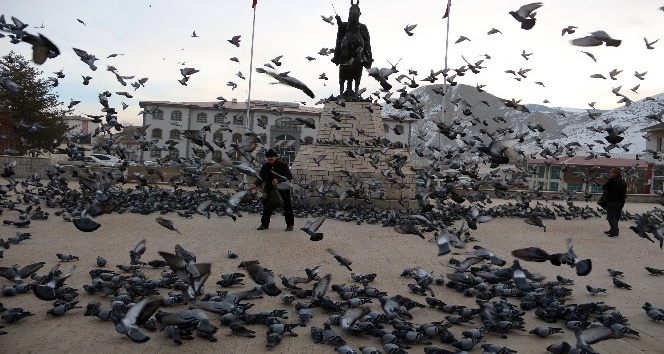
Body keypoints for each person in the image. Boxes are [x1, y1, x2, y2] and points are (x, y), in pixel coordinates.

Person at [249, 149, 294, 231]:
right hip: (269, 189)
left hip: (282, 190)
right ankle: (264, 224)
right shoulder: (265, 167)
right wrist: (255, 184)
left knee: (287, 207)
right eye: (268, 157)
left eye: (272, 157)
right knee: (267, 207)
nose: (270, 158)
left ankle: (290, 225)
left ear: (275, 157)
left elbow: (289, 176)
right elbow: (260, 177)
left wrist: (278, 180)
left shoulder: (283, 165)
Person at [601, 168, 627, 237]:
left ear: (615, 174)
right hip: (621, 202)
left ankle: (614, 232)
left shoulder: (613, 180)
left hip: (612, 201)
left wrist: (609, 180)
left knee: (611, 217)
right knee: (616, 217)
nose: (610, 174)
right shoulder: (623, 181)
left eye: (611, 173)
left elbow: (604, 187)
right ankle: (612, 230)